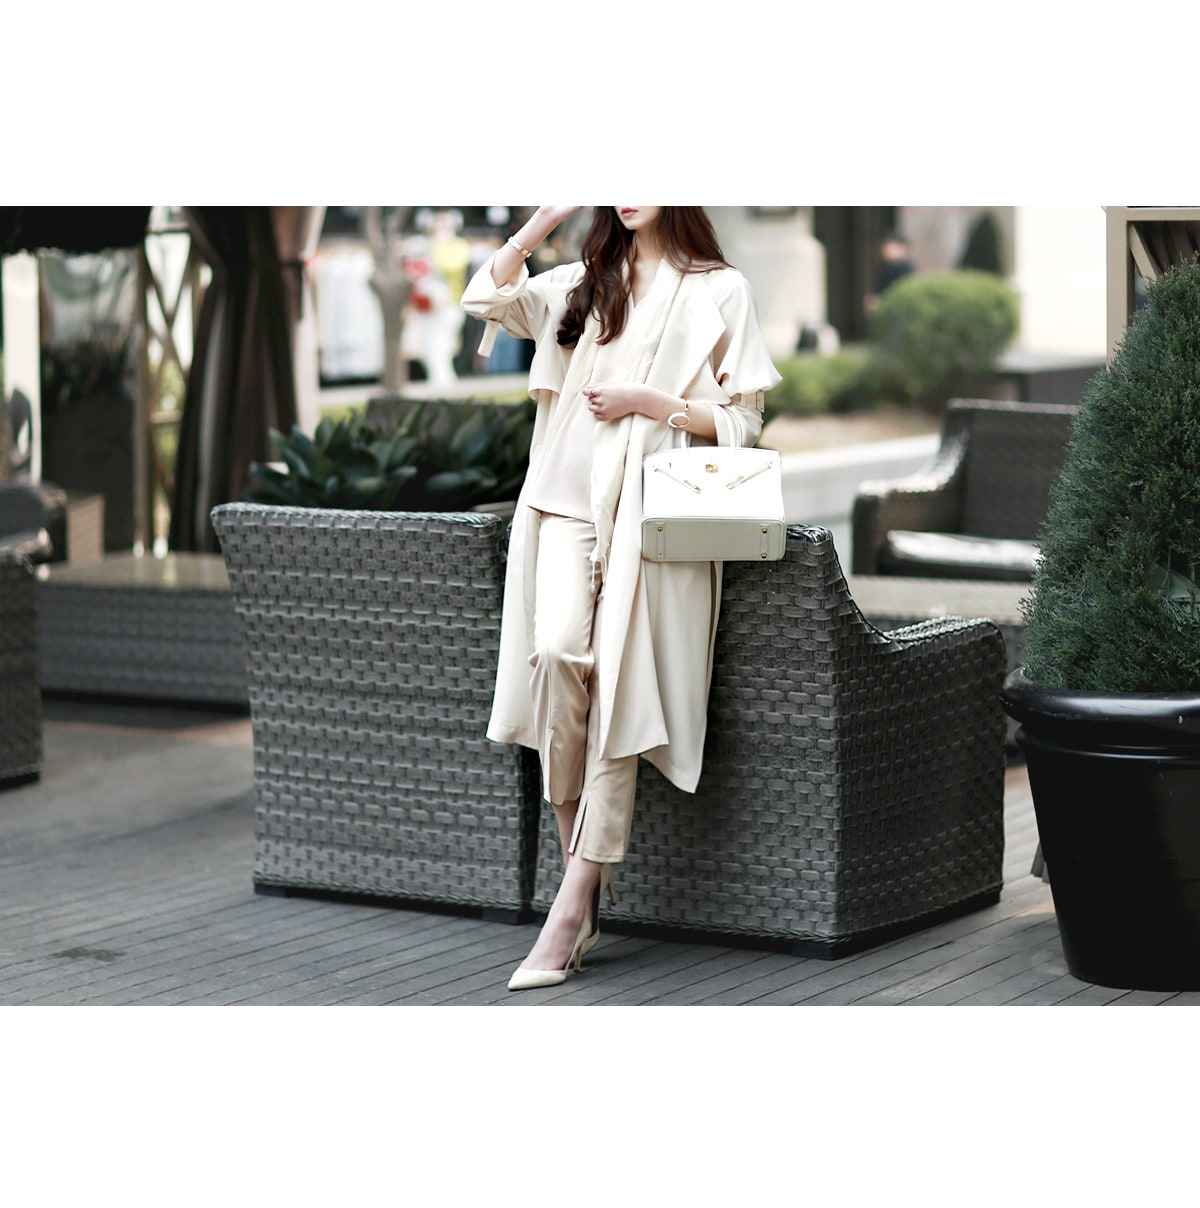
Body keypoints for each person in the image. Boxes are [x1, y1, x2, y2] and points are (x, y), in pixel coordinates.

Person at [461, 206, 781, 991]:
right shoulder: (581, 280)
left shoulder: (719, 289)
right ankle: (581, 867)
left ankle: (572, 903)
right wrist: (544, 217)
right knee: (556, 655)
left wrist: (649, 400)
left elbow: (744, 421)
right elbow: (486, 297)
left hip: (647, 517)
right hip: (560, 508)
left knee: (617, 695)